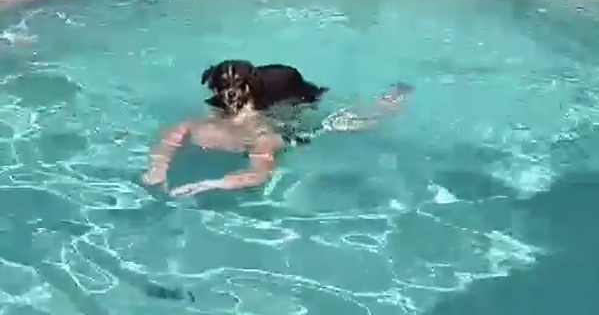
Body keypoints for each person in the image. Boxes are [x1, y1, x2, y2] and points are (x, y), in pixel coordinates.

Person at [141, 82, 414, 197]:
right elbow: (167, 144)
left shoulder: (263, 141)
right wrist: (158, 168)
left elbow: (259, 174)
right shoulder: (192, 126)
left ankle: (386, 104)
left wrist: (210, 184)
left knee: (334, 125)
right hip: (269, 117)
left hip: (294, 132)